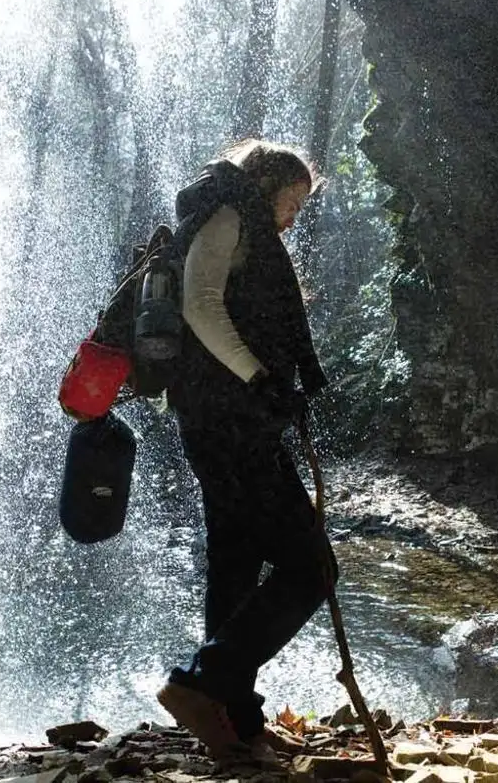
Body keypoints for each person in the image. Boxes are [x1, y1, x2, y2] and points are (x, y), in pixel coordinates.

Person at [156, 139, 338, 766]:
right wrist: (259, 377)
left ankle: (233, 718)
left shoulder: (244, 220)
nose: (294, 215)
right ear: (270, 186)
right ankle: (198, 683)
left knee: (235, 562)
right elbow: (198, 304)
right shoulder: (228, 214)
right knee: (311, 568)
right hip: (226, 420)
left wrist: (271, 390)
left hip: (228, 419)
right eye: (294, 200)